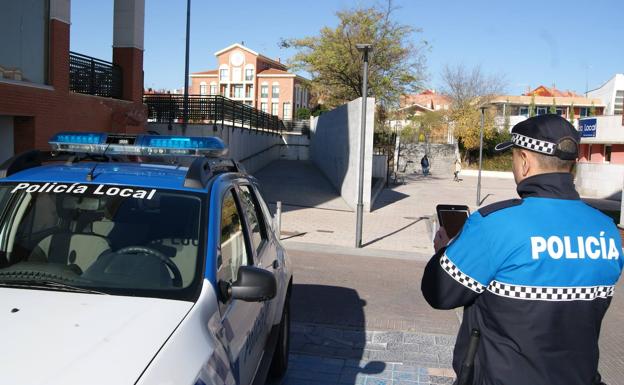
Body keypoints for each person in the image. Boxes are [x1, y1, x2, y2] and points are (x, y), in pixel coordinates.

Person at [421, 114, 622, 385]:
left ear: (525, 161)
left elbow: (440, 293)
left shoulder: (495, 224)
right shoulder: (606, 229)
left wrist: (444, 251)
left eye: (514, 157)